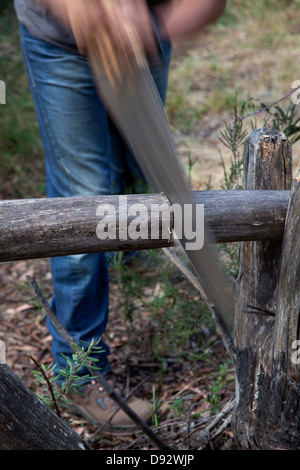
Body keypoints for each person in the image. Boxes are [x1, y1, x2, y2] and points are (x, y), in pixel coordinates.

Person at [14, 0, 227, 432]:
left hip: (142, 38)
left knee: (136, 173)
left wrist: (159, 27)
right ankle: (79, 374)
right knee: (84, 201)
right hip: (59, 39)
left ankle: (126, 265)